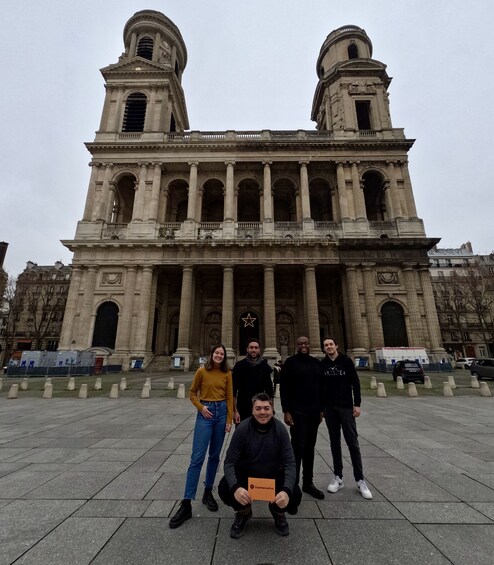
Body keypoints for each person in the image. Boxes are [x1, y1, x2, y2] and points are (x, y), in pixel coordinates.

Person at [218, 393, 301, 538]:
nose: (262, 412)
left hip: (273, 476)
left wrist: (286, 491)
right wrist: (236, 488)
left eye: (266, 408)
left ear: (272, 410)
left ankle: (278, 511)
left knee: (295, 494)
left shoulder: (280, 430)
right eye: (258, 408)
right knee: (225, 487)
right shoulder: (242, 429)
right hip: (247, 475)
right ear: (252, 410)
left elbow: (290, 463)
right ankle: (244, 512)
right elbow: (229, 462)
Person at [169, 344, 234, 528]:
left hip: (221, 413)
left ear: (224, 356)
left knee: (214, 456)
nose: (219, 356)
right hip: (206, 413)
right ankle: (186, 502)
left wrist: (229, 419)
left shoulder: (227, 373)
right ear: (211, 354)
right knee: (197, 458)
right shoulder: (201, 372)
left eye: (222, 353)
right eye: (216, 353)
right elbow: (192, 393)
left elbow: (230, 397)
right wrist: (201, 407)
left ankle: (207, 492)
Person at [321, 337, 372, 500]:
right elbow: (319, 387)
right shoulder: (322, 364)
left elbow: (355, 383)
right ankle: (338, 477)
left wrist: (357, 404)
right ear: (324, 348)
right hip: (329, 408)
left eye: (331, 344)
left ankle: (360, 479)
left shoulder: (346, 361)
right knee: (334, 442)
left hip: (345, 407)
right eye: (326, 345)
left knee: (353, 443)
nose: (329, 347)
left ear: (336, 345)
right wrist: (321, 407)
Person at [279, 336, 325, 500]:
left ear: (309, 344)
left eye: (306, 343)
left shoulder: (316, 363)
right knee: (296, 449)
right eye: (300, 344)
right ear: (296, 345)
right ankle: (292, 484)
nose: (303, 345)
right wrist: (286, 411)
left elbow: (321, 388)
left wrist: (321, 410)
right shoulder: (290, 363)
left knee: (310, 448)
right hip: (297, 412)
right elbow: (284, 388)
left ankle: (308, 483)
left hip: (314, 411)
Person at [232, 338, 274, 423]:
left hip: (260, 407)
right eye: (251, 347)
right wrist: (235, 411)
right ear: (247, 349)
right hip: (242, 407)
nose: (253, 350)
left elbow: (269, 390)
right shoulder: (239, 366)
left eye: (256, 348)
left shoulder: (264, 366)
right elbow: (233, 391)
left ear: (259, 349)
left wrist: (271, 409)